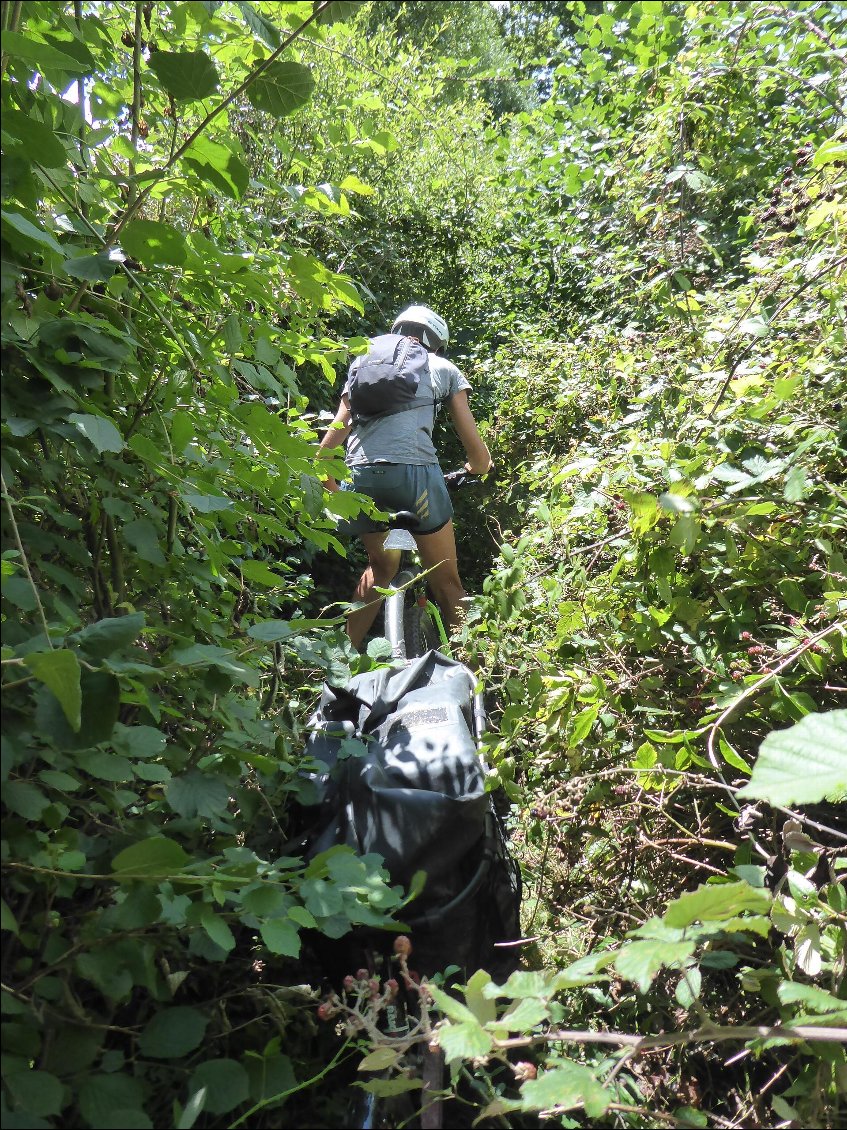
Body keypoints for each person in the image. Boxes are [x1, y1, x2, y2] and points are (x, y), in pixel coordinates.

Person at [318, 305, 492, 648]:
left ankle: (337, 669)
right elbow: (477, 453)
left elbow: (324, 455)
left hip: (361, 478)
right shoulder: (442, 367)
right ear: (436, 343)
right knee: (446, 583)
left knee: (380, 569)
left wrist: (336, 493)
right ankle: (479, 674)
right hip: (415, 478)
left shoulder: (361, 369)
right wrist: (478, 467)